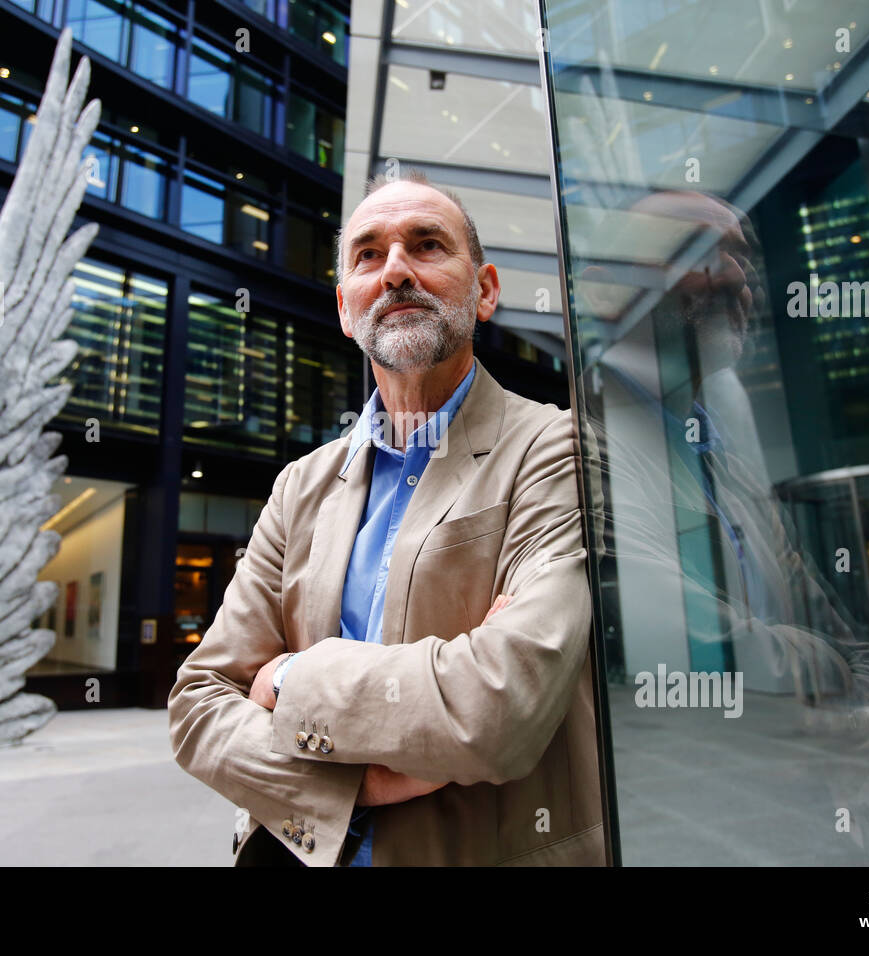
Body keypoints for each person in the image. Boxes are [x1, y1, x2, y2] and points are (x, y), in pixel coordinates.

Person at [167, 170, 605, 867]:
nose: (396, 269)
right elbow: (197, 705)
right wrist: (355, 787)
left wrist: (288, 682)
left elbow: (500, 706)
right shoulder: (297, 487)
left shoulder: (558, 447)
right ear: (346, 308)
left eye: (427, 245)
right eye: (368, 255)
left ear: (485, 289)